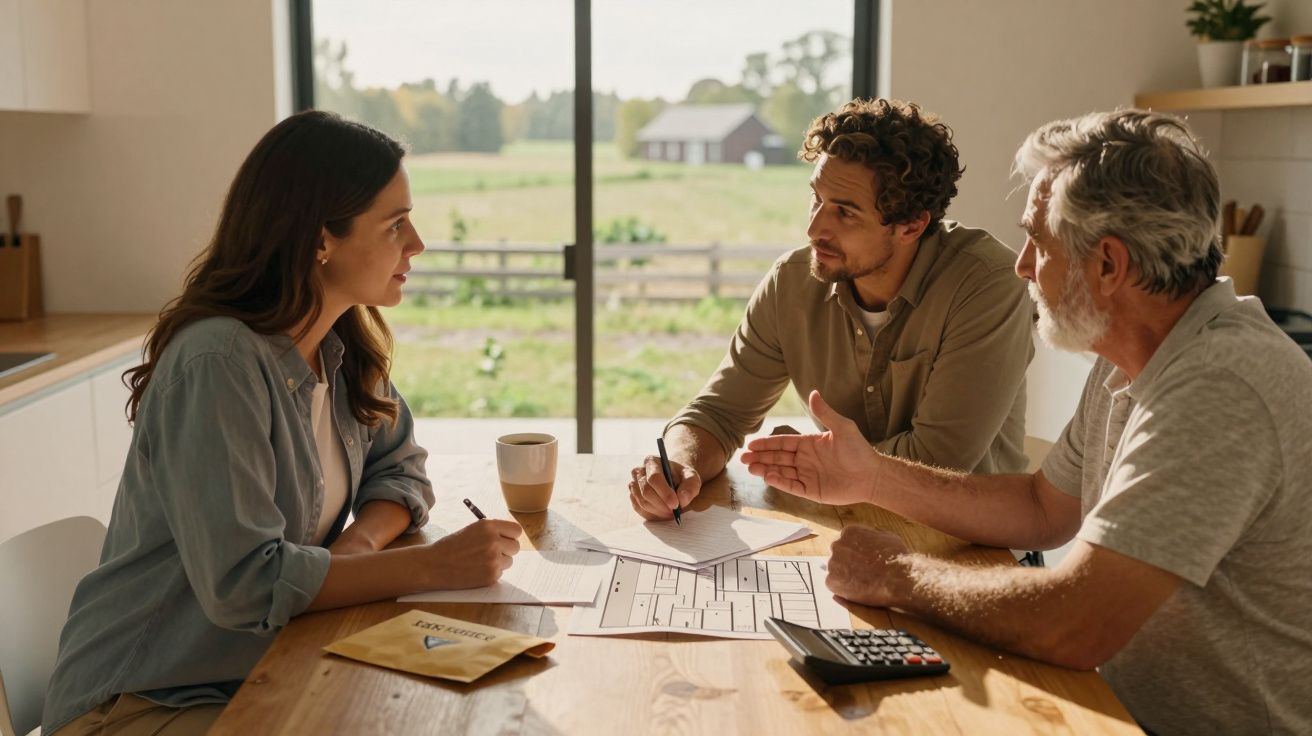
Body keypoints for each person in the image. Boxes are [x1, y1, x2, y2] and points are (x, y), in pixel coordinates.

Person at [741, 110, 1312, 734]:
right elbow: (1043, 508)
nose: (1022, 267)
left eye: (1039, 243)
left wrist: (896, 574)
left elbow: (1078, 621)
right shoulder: (1137, 356)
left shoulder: (1217, 385)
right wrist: (871, 476)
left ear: (1109, 266)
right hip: (1108, 708)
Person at [43, 111, 523, 735]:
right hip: (142, 701)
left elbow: (401, 471)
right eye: (396, 224)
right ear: (321, 239)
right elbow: (247, 584)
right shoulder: (219, 362)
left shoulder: (337, 343)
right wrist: (435, 566)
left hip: (258, 667)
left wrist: (354, 549)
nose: (417, 244)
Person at [627, 98, 1035, 522]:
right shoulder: (792, 281)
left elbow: (939, 462)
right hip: (842, 526)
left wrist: (813, 461)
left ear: (911, 225)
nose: (814, 228)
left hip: (968, 545)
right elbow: (719, 413)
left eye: (845, 212)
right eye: (816, 199)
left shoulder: (987, 283)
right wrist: (681, 463)